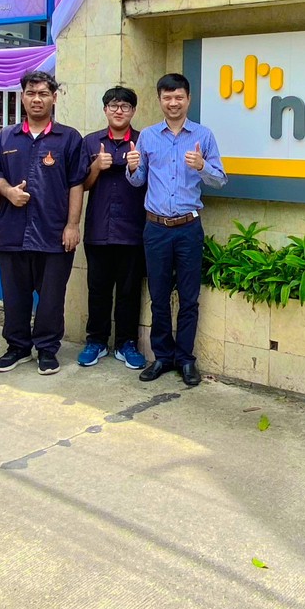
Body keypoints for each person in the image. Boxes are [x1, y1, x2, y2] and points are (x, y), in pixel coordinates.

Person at [126, 72, 225, 387]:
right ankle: (163, 357)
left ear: (188, 99)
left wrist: (202, 166)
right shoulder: (148, 136)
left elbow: (220, 179)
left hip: (188, 228)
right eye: (167, 97)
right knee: (158, 297)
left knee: (189, 298)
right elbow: (138, 181)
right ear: (160, 100)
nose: (173, 102)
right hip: (155, 228)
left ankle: (185, 359)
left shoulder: (203, 136)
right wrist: (132, 168)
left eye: (178, 97)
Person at [0, 70, 87, 376]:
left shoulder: (69, 138)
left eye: (43, 93)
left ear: (54, 98)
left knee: (52, 297)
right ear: (22, 98)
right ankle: (17, 347)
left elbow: (77, 183)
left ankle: (46, 349)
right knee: (14, 294)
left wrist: (72, 225)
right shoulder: (5, 136)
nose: (37, 99)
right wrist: (7, 192)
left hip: (54, 231)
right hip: (12, 230)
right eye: (31, 93)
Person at [77, 86, 148, 371]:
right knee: (98, 289)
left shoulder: (144, 142)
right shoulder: (90, 142)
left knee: (129, 291)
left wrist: (135, 167)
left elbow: (153, 183)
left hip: (133, 229)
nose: (119, 111)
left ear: (133, 111)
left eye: (125, 106)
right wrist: (96, 166)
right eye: (114, 106)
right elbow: (80, 185)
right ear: (105, 109)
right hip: (99, 228)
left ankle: (126, 343)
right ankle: (96, 341)